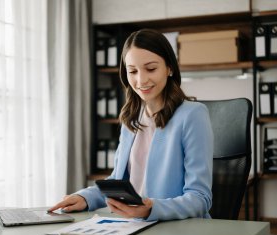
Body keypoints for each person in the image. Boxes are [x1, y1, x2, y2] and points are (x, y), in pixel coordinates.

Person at [48, 29, 213, 221]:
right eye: (133, 71)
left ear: (170, 68)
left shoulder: (192, 114)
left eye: (151, 69)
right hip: (135, 226)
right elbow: (118, 183)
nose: (141, 80)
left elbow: (200, 198)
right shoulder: (132, 118)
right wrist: (85, 197)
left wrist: (152, 208)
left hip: (177, 231)